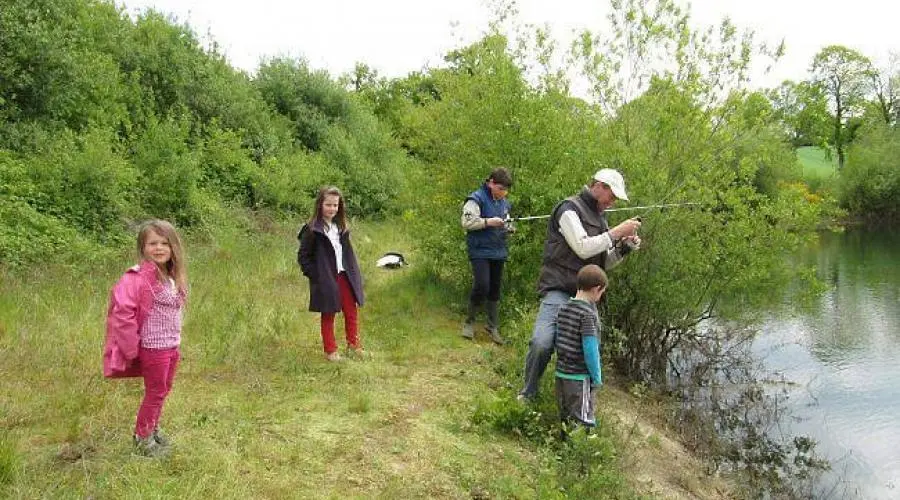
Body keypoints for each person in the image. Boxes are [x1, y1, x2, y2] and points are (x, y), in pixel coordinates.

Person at [518, 168, 641, 401]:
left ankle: (577, 409)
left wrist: (624, 248)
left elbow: (601, 263)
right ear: (599, 186)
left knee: (586, 355)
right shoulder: (568, 209)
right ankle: (528, 394)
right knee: (542, 343)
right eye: (611, 197)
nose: (612, 203)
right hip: (558, 290)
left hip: (585, 298)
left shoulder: (601, 219)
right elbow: (583, 247)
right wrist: (615, 233)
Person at [104, 219, 188, 457]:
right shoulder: (138, 277)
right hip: (153, 347)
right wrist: (131, 349)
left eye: (165, 243)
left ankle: (152, 428)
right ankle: (142, 438)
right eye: (153, 243)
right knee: (154, 392)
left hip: (172, 345)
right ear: (143, 247)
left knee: (164, 389)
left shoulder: (170, 276)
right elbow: (122, 313)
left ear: (173, 247)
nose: (159, 248)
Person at [298, 186, 365, 362]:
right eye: (328, 205)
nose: (332, 209)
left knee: (351, 311)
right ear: (320, 205)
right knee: (328, 313)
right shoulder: (312, 230)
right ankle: (331, 351)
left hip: (345, 276)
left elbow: (346, 253)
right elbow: (303, 257)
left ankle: (354, 345)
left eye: (335, 205)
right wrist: (317, 276)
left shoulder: (340, 227)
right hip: (326, 278)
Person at [461, 167, 513, 345]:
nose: (503, 193)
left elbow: (506, 221)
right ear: (490, 183)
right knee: (482, 285)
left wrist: (509, 228)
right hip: (480, 250)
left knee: (495, 289)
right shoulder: (475, 199)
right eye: (500, 188)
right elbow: (467, 222)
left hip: (499, 250)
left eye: (505, 190)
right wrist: (488, 222)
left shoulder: (505, 202)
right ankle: (469, 322)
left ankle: (492, 326)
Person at [555, 264, 607, 432]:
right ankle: (580, 453)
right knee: (583, 418)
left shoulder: (563, 308)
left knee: (565, 415)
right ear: (596, 289)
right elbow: (590, 349)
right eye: (602, 292)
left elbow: (559, 339)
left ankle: (563, 448)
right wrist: (597, 377)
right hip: (579, 376)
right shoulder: (587, 315)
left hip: (561, 372)